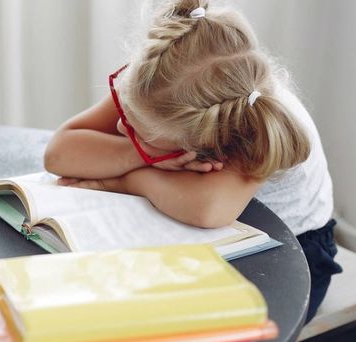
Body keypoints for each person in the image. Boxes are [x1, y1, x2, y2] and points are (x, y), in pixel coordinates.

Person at [44, 0, 341, 321]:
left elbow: (208, 209)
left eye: (139, 134)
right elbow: (60, 152)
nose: (119, 126)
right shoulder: (159, 83)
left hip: (289, 256)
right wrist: (141, 154)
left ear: (202, 140)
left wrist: (124, 179)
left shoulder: (250, 120)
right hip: (200, 235)